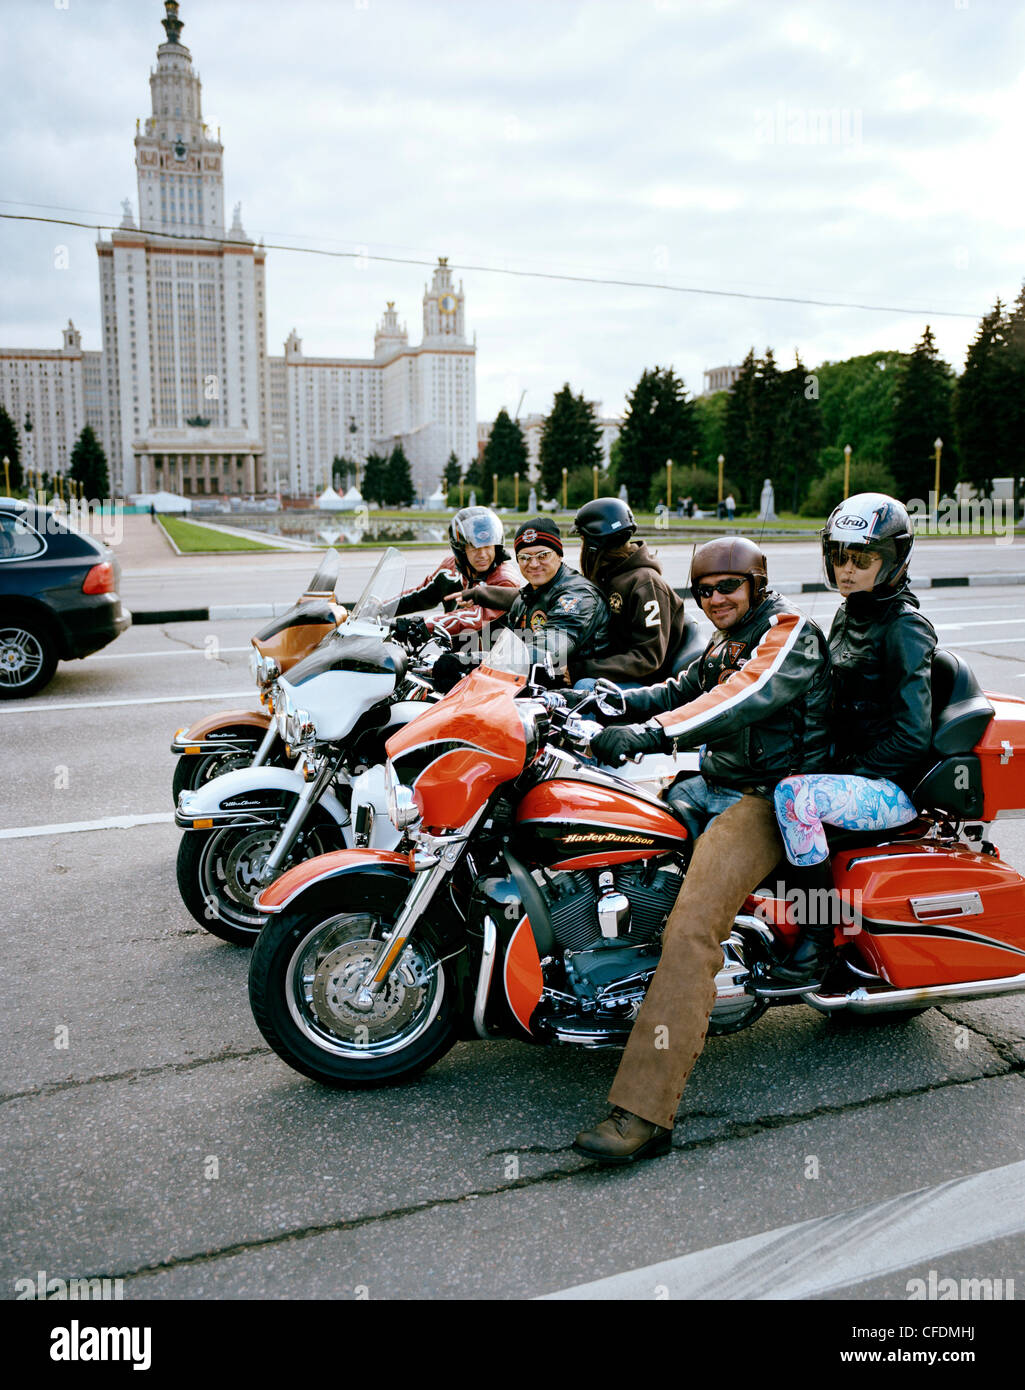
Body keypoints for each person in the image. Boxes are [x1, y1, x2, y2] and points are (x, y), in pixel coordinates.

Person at [572, 536, 832, 1163]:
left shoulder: (790, 632)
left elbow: (740, 696)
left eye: (728, 587)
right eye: (705, 590)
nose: (715, 598)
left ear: (757, 583)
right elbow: (683, 687)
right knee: (609, 836)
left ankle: (644, 1112)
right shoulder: (725, 637)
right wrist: (603, 700)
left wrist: (649, 734)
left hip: (768, 800)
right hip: (711, 784)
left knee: (691, 930)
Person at [757, 493, 936, 993]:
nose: (847, 569)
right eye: (839, 556)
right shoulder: (849, 613)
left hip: (891, 786)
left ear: (894, 559)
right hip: (852, 771)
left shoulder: (905, 628)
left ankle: (818, 940)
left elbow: (912, 736)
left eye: (862, 558)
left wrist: (847, 765)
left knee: (798, 797)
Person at [570, 497, 688, 689]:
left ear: (593, 545)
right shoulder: (605, 577)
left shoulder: (645, 584)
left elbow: (647, 658)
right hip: (609, 670)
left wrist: (581, 669)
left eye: (582, 540)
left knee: (585, 688)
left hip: (646, 685)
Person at [504, 518, 610, 681]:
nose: (533, 564)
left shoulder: (578, 594)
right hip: (539, 683)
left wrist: (482, 660)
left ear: (559, 555)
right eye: (524, 557)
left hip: (578, 691)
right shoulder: (525, 598)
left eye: (543, 555)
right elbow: (507, 649)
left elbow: (549, 648)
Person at [394, 506, 519, 642]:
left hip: (494, 658)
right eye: (474, 547)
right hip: (454, 656)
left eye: (488, 546)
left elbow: (475, 617)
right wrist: (377, 608)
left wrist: (422, 625)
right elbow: (419, 596)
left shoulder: (505, 579)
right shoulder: (449, 569)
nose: (482, 555)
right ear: (461, 548)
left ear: (496, 546)